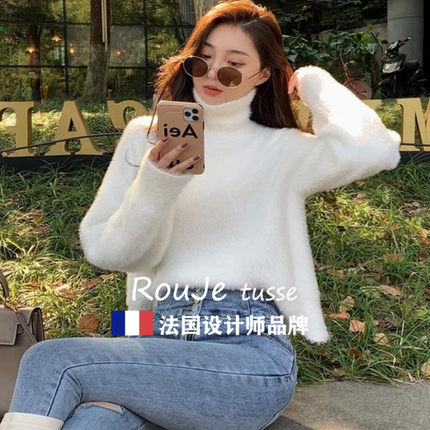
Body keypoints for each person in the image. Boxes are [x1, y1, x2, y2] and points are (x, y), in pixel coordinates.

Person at [0, 0, 402, 429]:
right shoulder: (144, 139)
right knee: (94, 422)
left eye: (233, 66)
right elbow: (105, 251)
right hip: (157, 339)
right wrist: (157, 183)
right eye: (203, 59)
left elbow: (375, 150)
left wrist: (312, 82)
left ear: (263, 74)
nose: (212, 75)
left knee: (51, 359)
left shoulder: (280, 150)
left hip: (246, 355)